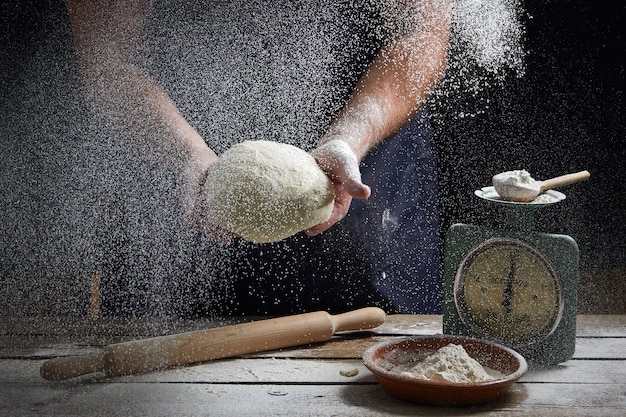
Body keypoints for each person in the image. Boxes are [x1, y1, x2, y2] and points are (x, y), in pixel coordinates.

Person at [64, 0, 451, 316]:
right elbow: (105, 60)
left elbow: (421, 35)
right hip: (184, 177)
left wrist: (350, 139)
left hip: (360, 169)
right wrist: (186, 153)